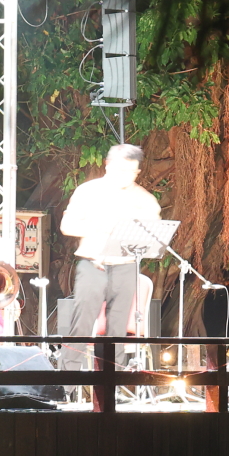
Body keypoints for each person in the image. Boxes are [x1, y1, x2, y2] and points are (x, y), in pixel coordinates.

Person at [59, 143, 162, 352]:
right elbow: (67, 226)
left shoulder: (146, 199)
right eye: (121, 170)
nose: (126, 176)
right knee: (82, 325)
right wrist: (100, 227)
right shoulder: (88, 191)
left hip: (125, 266)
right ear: (107, 165)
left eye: (132, 172)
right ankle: (67, 383)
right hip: (93, 265)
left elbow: (154, 237)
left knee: (118, 330)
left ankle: (112, 380)